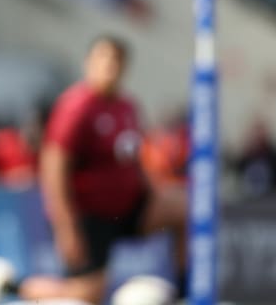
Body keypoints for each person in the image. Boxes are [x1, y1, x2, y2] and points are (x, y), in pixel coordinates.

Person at [16, 35, 188, 303]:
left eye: (117, 59)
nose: (110, 65)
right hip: (89, 217)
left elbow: (136, 158)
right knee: (86, 296)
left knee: (184, 206)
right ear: (89, 63)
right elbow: (54, 166)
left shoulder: (127, 106)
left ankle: (184, 290)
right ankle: (10, 287)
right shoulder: (76, 106)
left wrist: (154, 190)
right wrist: (65, 227)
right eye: (103, 58)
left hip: (129, 209)